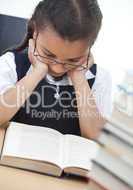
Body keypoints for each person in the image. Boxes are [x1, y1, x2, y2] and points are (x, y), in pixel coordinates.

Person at [0, 0, 112, 139]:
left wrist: (79, 77)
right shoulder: (11, 63)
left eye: (73, 60)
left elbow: (95, 137)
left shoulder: (99, 78)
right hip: (13, 160)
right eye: (48, 54)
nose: (57, 68)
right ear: (35, 32)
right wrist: (37, 72)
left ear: (89, 48)